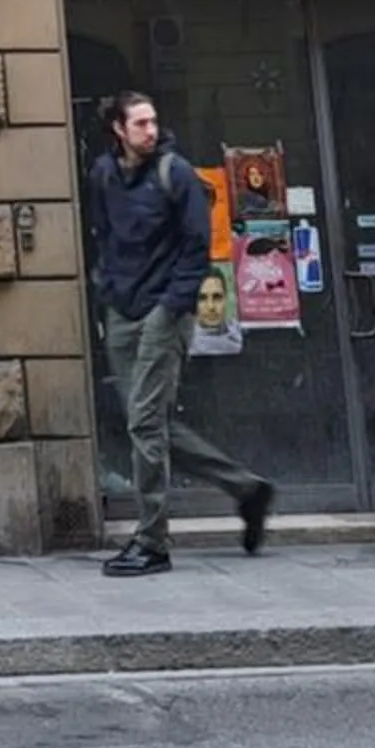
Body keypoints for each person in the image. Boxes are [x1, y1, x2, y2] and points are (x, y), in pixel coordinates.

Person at [88, 91, 275, 578]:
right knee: (149, 423)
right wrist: (107, 292)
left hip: (162, 313)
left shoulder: (178, 175)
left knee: (145, 424)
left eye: (153, 122)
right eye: (140, 124)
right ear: (118, 129)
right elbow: (104, 236)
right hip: (123, 310)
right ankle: (246, 488)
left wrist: (172, 305)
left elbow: (197, 249)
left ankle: (152, 542)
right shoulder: (104, 174)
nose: (150, 131)